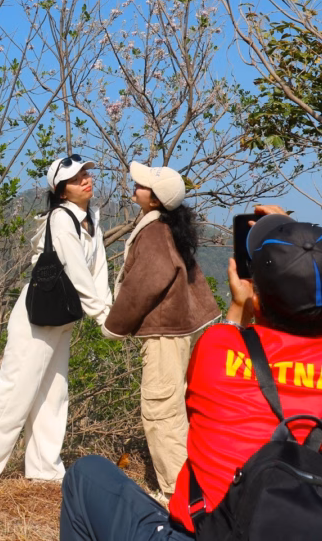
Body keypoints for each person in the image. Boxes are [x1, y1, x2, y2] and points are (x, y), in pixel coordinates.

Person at [60, 205, 322, 541]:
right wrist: (304, 248)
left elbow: (233, 330)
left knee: (86, 476)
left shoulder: (218, 348)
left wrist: (242, 302)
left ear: (255, 295)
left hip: (209, 534)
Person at [0, 154, 112, 487]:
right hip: (37, 315)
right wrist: (103, 316)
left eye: (86, 174)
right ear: (62, 190)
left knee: (54, 392)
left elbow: (98, 272)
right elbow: (76, 270)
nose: (85, 180)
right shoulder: (60, 218)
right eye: (77, 177)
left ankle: (45, 468)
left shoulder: (91, 217)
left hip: (63, 316)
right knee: (16, 386)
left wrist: (108, 310)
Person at [101, 162, 220, 501]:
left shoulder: (153, 231)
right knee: (177, 406)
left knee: (161, 409)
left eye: (141, 186)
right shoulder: (168, 225)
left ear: (154, 200)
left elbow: (145, 283)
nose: (134, 188)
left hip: (166, 334)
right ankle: (190, 488)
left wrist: (115, 325)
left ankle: (178, 496)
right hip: (182, 330)